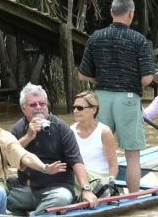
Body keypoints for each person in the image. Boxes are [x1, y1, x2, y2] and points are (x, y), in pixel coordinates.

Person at [78, 0, 155, 193]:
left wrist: (102, 81)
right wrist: (128, 82)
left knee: (99, 148)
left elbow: (82, 74)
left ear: (112, 13)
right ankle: (134, 198)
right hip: (128, 99)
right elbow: (147, 79)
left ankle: (93, 191)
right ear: (131, 14)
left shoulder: (96, 37)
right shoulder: (139, 40)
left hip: (100, 98)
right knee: (132, 156)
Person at [8, 83, 98, 215]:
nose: (38, 108)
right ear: (23, 109)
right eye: (33, 105)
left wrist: (86, 189)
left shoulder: (61, 127)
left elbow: (76, 160)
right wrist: (29, 136)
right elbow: (7, 158)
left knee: (62, 199)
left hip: (56, 190)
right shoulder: (18, 129)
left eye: (42, 104)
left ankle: (34, 214)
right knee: (0, 195)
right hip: (27, 190)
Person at [70, 90, 119, 193]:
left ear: (93, 109)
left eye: (80, 108)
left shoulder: (104, 132)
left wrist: (109, 183)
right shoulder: (70, 131)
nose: (75, 111)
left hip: (98, 180)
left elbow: (113, 166)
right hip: (78, 177)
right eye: (74, 107)